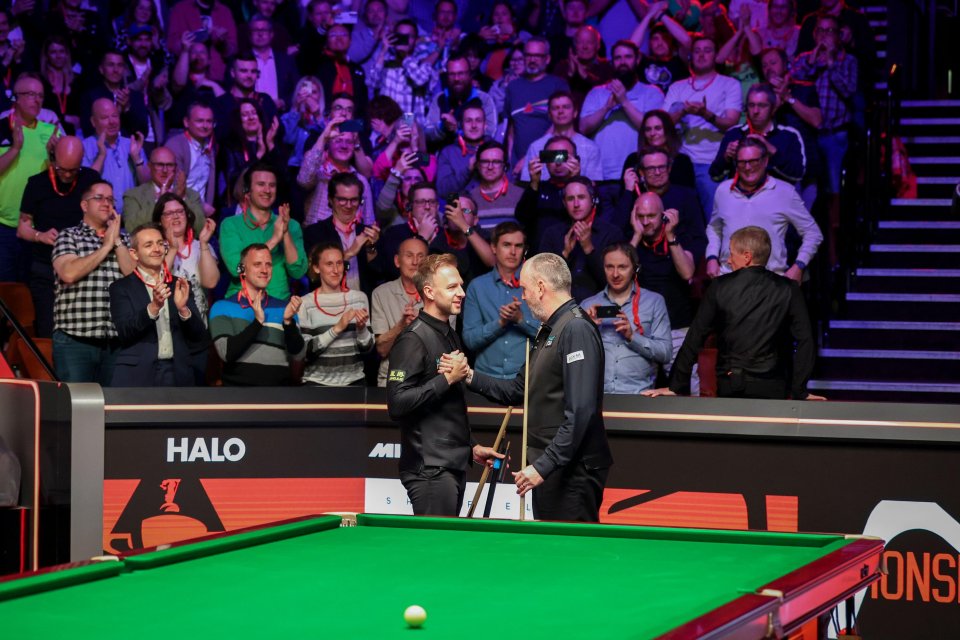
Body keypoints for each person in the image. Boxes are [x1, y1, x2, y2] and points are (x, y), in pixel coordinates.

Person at [462, 252, 613, 522]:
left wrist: (542, 466)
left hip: (571, 471)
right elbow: (518, 389)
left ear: (541, 287)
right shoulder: (550, 330)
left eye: (524, 288)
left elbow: (581, 411)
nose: (523, 297)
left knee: (571, 558)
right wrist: (469, 376)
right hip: (554, 469)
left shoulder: (575, 328)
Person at [643, 226, 824, 400]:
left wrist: (676, 385)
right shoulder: (789, 288)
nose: (729, 260)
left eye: (731, 253)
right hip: (774, 385)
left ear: (747, 256)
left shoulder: (719, 286)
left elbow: (696, 336)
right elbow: (805, 340)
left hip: (730, 384)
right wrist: (800, 389)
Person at [387, 253, 503, 516]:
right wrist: (447, 379)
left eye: (460, 285)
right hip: (429, 470)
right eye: (452, 287)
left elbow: (447, 407)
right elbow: (397, 404)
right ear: (429, 291)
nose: (461, 292)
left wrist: (470, 445)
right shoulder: (412, 339)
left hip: (450, 464)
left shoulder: (450, 333)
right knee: (434, 554)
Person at [51, 181, 136, 384]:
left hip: (115, 342)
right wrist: (105, 247)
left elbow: (135, 278)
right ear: (84, 205)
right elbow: (69, 273)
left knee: (113, 409)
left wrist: (115, 241)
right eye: (99, 198)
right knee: (76, 408)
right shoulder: (69, 236)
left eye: (110, 199)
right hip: (75, 340)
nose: (106, 203)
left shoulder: (123, 241)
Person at [17, 136, 101, 338]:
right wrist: (39, 235)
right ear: (54, 160)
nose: (67, 175)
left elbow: (104, 215)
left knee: (82, 332)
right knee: (48, 331)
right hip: (46, 269)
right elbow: (22, 227)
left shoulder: (90, 180)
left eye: (73, 170)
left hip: (83, 269)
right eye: (61, 169)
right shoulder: (37, 183)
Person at [707, 138, 822, 282]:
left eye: (753, 161)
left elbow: (813, 233)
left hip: (770, 282)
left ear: (765, 161)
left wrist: (798, 266)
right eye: (742, 162)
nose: (748, 167)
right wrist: (711, 257)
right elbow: (714, 228)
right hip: (729, 279)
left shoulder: (784, 192)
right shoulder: (723, 191)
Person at [109, 223, 206, 387]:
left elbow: (199, 335)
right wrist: (153, 307)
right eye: (148, 245)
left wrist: (184, 310)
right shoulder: (121, 287)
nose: (157, 249)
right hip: (138, 373)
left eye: (160, 243)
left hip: (178, 371)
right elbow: (125, 331)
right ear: (134, 254)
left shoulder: (179, 284)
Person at [663, 35, 743, 215]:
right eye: (697, 51)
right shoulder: (677, 86)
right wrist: (683, 111)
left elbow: (731, 122)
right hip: (680, 162)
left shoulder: (729, 84)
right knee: (679, 219)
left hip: (712, 163)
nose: (701, 55)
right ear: (690, 55)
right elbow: (663, 124)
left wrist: (706, 114)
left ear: (715, 55)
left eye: (707, 50)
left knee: (714, 219)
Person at [580, 39, 664, 208]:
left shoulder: (652, 92)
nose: (623, 62)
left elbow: (653, 130)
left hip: (639, 175)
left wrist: (624, 101)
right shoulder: (597, 93)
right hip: (601, 176)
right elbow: (583, 128)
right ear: (612, 62)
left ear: (637, 59)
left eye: (628, 57)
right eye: (618, 58)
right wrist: (606, 107)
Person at [208, 242, 305, 386]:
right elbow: (226, 353)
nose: (264, 270)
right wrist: (257, 323)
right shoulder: (222, 307)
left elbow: (298, 353)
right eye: (257, 264)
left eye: (269, 264)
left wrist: (288, 323)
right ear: (243, 270)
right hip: (238, 395)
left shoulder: (285, 307)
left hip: (279, 394)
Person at [582, 243, 672, 393]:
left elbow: (665, 353)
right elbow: (572, 358)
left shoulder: (654, 302)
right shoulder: (588, 305)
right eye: (609, 267)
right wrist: (587, 332)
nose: (615, 274)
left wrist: (632, 337)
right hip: (595, 396)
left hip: (639, 395)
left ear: (635, 269)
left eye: (622, 267)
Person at [219, 163, 308, 300]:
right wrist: (274, 240)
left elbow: (298, 273)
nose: (267, 190)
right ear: (248, 190)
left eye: (272, 185)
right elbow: (237, 270)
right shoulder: (231, 225)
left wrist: (285, 234)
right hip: (241, 302)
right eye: (261, 184)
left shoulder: (292, 225)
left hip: (278, 303)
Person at [0, 73, 58, 282]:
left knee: (32, 289)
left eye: (41, 95)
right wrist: (15, 148)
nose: (37, 100)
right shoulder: (1, 127)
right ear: (16, 97)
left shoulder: (51, 131)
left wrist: (53, 156)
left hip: (37, 227)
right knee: (5, 291)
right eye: (31, 94)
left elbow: (61, 178)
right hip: (3, 225)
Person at [462, 221, 539, 379]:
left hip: (526, 380)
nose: (512, 251)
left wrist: (521, 320)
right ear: (493, 247)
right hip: (486, 380)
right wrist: (500, 323)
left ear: (524, 250)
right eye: (506, 245)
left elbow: (552, 335)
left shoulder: (536, 285)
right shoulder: (477, 287)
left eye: (518, 246)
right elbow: (470, 340)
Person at [299, 242, 374, 387]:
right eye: (329, 264)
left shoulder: (359, 298)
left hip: (354, 383)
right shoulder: (305, 303)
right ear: (316, 268)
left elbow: (368, 349)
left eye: (339, 263)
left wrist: (361, 328)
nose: (335, 270)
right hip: (317, 384)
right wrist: (338, 328)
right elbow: (305, 352)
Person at [539, 177, 624, 302]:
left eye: (581, 197)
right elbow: (543, 283)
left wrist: (589, 249)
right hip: (561, 308)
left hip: (601, 308)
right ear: (564, 203)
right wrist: (565, 254)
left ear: (592, 200)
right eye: (570, 199)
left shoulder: (611, 233)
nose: (576, 204)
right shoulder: (552, 234)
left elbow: (615, 282)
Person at [709, 83, 805, 185]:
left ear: (772, 109)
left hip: (777, 198)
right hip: (741, 198)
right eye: (751, 105)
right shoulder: (734, 134)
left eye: (762, 105)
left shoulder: (789, 135)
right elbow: (714, 176)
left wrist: (772, 151)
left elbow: (798, 175)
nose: (755, 111)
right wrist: (726, 158)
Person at [302, 172, 383, 293]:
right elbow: (314, 276)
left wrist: (370, 248)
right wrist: (350, 252)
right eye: (342, 200)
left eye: (354, 200)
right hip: (328, 305)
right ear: (330, 199)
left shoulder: (367, 232)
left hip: (362, 304)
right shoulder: (315, 232)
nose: (348, 205)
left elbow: (378, 276)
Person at [371, 236, 432, 387]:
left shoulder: (440, 294)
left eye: (421, 256)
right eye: (409, 255)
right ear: (397, 261)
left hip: (429, 381)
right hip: (392, 380)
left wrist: (425, 322)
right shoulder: (381, 294)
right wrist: (402, 325)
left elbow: (447, 347)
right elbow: (382, 350)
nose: (415, 262)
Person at [504, 37, 569, 173]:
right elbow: (511, 129)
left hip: (552, 162)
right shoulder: (513, 87)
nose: (532, 60)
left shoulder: (558, 85)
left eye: (537, 56)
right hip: (518, 168)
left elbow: (562, 127)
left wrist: (530, 159)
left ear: (547, 59)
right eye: (528, 55)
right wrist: (510, 162)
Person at [82, 98, 149, 214]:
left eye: (115, 116)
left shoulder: (131, 145)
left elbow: (147, 186)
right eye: (105, 118)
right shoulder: (84, 147)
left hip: (131, 218)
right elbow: (85, 186)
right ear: (93, 122)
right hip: (100, 219)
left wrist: (137, 159)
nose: (112, 122)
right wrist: (101, 155)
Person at [520, 90, 602, 183]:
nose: (561, 111)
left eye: (566, 107)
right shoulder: (536, 147)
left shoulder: (590, 148)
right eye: (555, 108)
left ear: (575, 112)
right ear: (549, 115)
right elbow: (528, 183)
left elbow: (593, 187)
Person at [123, 146, 207, 233]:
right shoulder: (133, 195)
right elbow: (131, 228)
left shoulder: (192, 195)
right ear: (149, 166)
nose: (165, 170)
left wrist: (182, 198)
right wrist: (159, 200)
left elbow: (200, 228)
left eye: (170, 165)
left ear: (176, 168)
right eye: (160, 165)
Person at [424, 56, 498, 144]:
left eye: (461, 73)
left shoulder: (484, 99)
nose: (456, 79)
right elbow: (427, 133)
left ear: (470, 75)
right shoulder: (440, 99)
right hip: (444, 154)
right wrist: (443, 127)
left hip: (475, 154)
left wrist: (457, 130)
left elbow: (490, 134)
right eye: (452, 74)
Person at [165, 102, 218, 219]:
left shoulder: (210, 146)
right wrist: (200, 206)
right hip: (179, 208)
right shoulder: (176, 145)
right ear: (186, 122)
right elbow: (173, 186)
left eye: (209, 121)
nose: (205, 125)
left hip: (202, 213)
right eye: (200, 121)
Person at [435, 101, 489, 196]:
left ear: (485, 125)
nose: (474, 125)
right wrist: (468, 169)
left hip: (490, 208)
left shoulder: (497, 151)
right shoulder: (448, 153)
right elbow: (442, 190)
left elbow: (508, 186)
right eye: (468, 121)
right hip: (458, 208)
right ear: (461, 125)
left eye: (478, 120)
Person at [466, 141, 524, 229]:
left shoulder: (520, 195)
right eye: (485, 162)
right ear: (478, 165)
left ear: (505, 166)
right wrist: (469, 233)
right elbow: (465, 231)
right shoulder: (470, 198)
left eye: (496, 162)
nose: (490, 167)